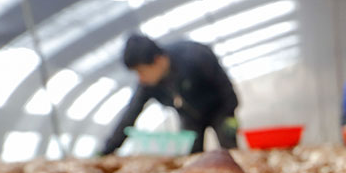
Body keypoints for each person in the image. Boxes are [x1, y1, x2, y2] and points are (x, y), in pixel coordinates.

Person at [99, 34, 240, 156]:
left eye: (141, 71)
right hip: (190, 118)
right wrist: (106, 150)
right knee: (191, 156)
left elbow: (225, 86)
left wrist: (230, 113)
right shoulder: (147, 85)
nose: (140, 78)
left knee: (230, 148)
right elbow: (129, 116)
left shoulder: (195, 56)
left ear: (158, 60)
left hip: (220, 110)